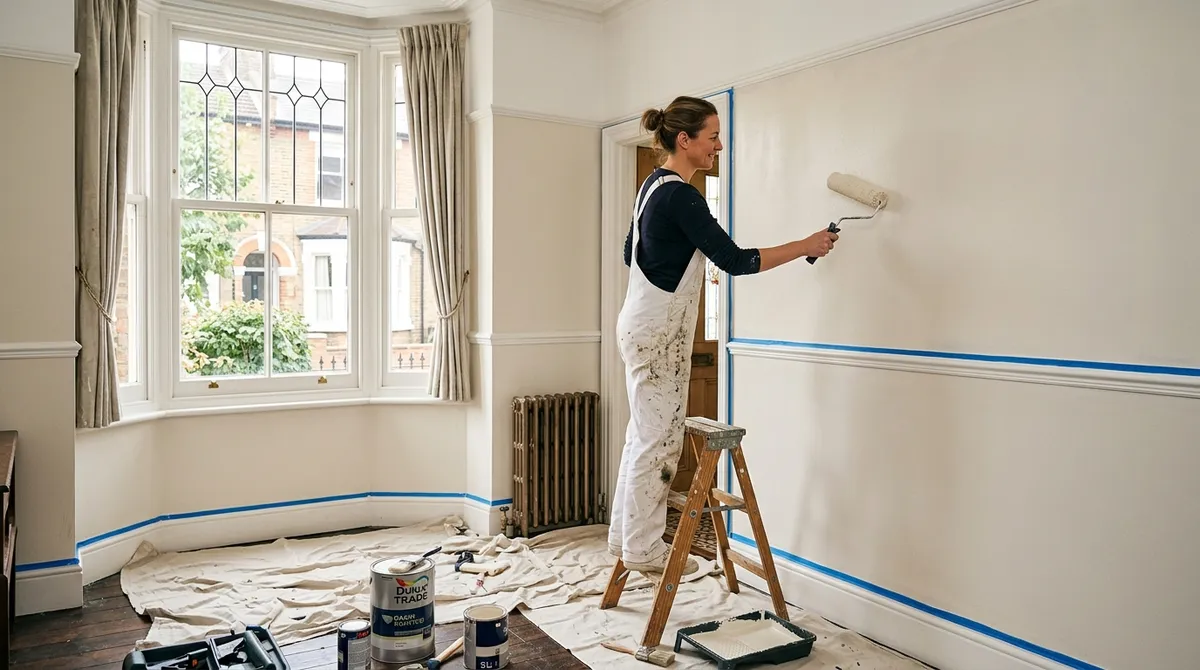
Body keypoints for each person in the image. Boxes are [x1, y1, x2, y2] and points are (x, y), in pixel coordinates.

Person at [607, 95, 839, 575]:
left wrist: (677, 263)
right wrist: (807, 245)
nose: (719, 145)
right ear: (684, 140)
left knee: (642, 437)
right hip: (658, 335)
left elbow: (632, 252)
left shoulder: (652, 187)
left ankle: (625, 539)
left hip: (638, 322)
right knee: (659, 442)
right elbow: (736, 261)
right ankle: (646, 550)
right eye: (712, 136)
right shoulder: (681, 195)